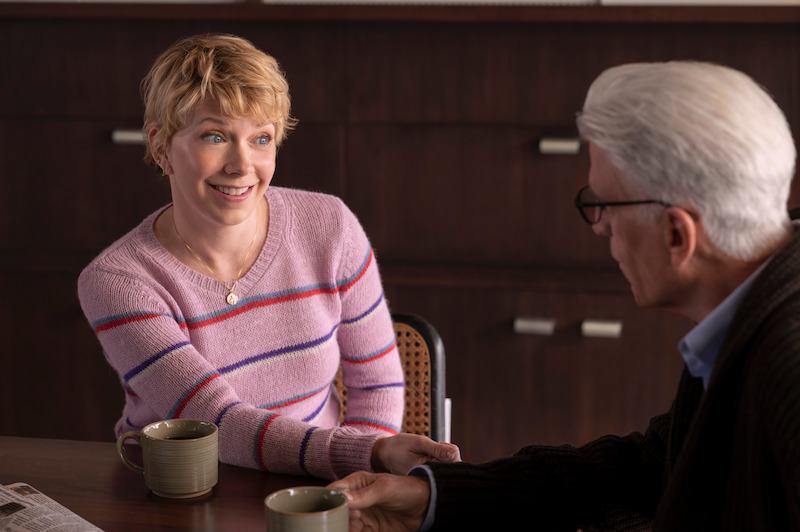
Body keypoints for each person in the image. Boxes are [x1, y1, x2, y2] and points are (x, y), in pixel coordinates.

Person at [329, 60, 800, 530]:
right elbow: (655, 466)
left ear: (678, 234)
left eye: (605, 206)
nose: (599, 227)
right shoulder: (747, 311)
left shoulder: (787, 369)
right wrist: (434, 496)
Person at [78, 33, 459, 481]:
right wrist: (365, 456)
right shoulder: (117, 281)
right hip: (183, 491)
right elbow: (218, 423)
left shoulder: (330, 226)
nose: (242, 165)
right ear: (162, 147)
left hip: (317, 485)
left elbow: (377, 384)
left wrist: (355, 483)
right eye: (214, 136)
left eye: (261, 138)